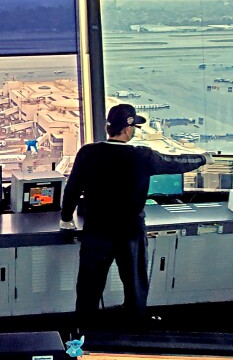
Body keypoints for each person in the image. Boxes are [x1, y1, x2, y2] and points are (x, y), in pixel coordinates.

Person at [60, 104, 211, 329]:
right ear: (128, 129)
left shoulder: (88, 153)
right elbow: (175, 163)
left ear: (109, 127)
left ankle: (83, 331)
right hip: (130, 231)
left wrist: (66, 218)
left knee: (89, 286)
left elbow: (72, 188)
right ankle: (135, 327)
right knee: (135, 284)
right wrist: (203, 159)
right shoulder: (142, 156)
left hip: (97, 230)